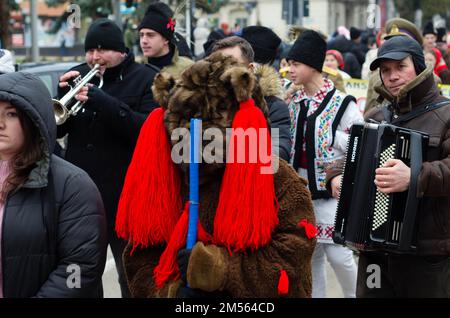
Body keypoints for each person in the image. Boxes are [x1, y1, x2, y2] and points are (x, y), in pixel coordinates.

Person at [116, 53, 316, 298]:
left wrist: (218, 269)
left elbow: (292, 255)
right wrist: (171, 293)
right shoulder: (171, 177)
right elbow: (141, 258)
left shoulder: (276, 176)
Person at [327, 35, 450, 297]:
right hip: (375, 254)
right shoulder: (376, 116)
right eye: (385, 70)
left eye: (400, 67)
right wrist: (336, 176)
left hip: (427, 253)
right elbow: (351, 156)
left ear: (418, 66)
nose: (392, 76)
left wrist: (414, 176)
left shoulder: (445, 114)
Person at [56, 18, 158, 298]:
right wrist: (62, 96)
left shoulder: (144, 78)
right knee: (81, 274)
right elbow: (56, 128)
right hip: (80, 196)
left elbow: (146, 130)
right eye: (90, 50)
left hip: (125, 196)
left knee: (130, 274)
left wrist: (103, 102)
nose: (94, 57)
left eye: (103, 50)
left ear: (121, 51)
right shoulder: (76, 75)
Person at [0, 72, 107, 298]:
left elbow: (80, 268)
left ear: (33, 120)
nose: (0, 124)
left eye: (11, 114)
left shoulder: (73, 185)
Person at [287, 30, 362, 298]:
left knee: (339, 254)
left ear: (311, 65)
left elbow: (361, 141)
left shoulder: (341, 103)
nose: (290, 70)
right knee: (310, 255)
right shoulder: (293, 101)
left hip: (332, 187)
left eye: (295, 64)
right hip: (298, 188)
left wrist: (333, 138)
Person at [211, 32, 291, 162]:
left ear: (251, 68)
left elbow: (280, 151)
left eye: (233, 64)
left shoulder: (272, 105)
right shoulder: (204, 101)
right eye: (219, 65)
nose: (226, 71)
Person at [138, 2, 193, 77]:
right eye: (141, 35)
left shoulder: (188, 69)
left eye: (150, 35)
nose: (143, 41)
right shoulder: (135, 69)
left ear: (166, 39)